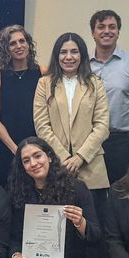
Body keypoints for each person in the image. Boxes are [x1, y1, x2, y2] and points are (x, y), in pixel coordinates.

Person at [33, 32, 110, 217]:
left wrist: (80, 157)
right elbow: (42, 125)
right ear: (56, 56)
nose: (69, 57)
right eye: (63, 52)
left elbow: (102, 125)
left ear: (82, 55)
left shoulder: (95, 83)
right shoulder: (44, 83)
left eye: (74, 52)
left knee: (93, 226)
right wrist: (64, 158)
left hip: (91, 166)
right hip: (57, 166)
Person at [88, 10, 129, 184]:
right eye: (101, 27)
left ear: (118, 31)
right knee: (91, 195)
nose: (107, 31)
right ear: (93, 33)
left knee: (121, 194)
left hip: (121, 142)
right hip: (87, 141)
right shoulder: (81, 65)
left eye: (112, 27)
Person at [0, 24, 41, 185]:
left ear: (28, 44)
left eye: (22, 41)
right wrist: (15, 149)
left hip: (36, 148)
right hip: (7, 149)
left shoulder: (43, 73)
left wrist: (32, 150)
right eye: (12, 43)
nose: (19, 46)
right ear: (6, 49)